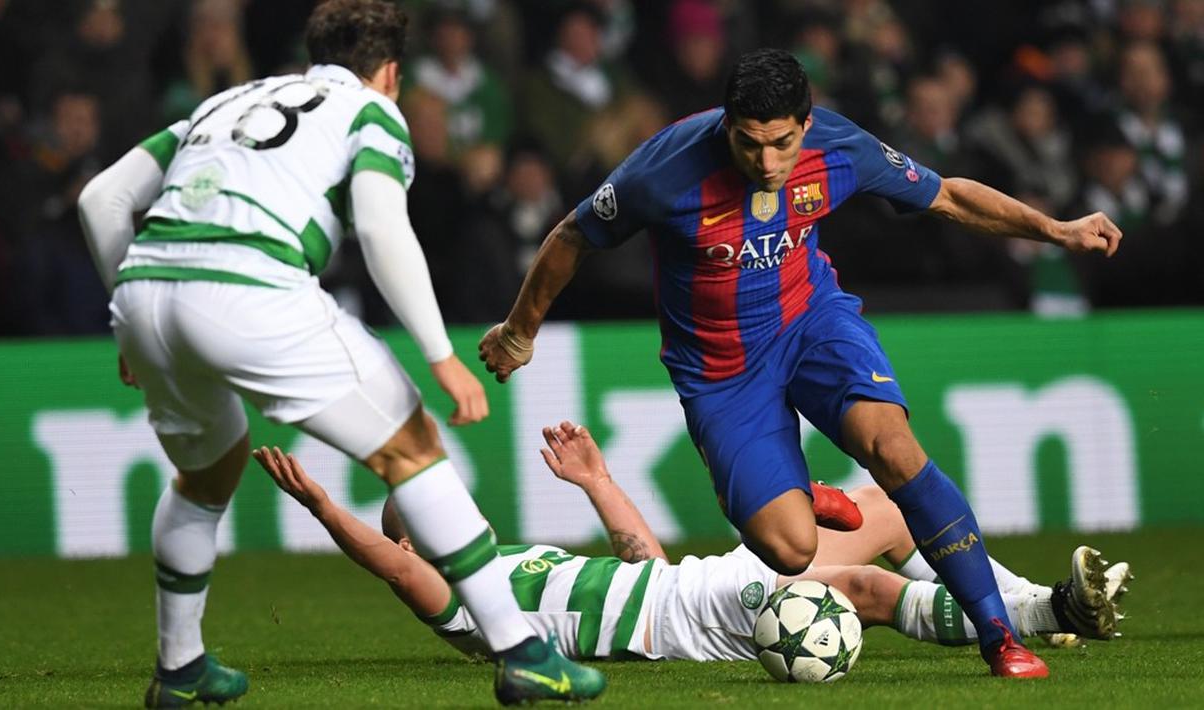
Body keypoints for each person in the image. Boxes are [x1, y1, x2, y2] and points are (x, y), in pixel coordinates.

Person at [479, 49, 1123, 679]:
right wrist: (518, 330)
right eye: (749, 143)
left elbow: (949, 197)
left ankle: (999, 634)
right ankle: (802, 493)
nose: (766, 162)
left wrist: (1056, 229)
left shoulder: (838, 147)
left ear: (806, 125)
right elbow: (572, 236)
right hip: (722, 372)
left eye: (781, 143)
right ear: (727, 126)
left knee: (894, 450)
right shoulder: (664, 170)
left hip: (812, 323)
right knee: (790, 549)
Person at [76, 1, 603, 706]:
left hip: (146, 292)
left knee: (203, 477)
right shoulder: (370, 111)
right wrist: (439, 353)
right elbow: (383, 229)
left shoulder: (225, 101)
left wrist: (129, 319)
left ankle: (180, 668)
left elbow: (100, 198)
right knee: (412, 450)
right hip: (251, 288)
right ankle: (523, 651)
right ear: (389, 70)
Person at [252, 420, 1132, 662]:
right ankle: (1046, 609)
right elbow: (396, 565)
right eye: (428, 517)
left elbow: (645, 567)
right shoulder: (469, 610)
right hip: (690, 626)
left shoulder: (521, 565)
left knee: (885, 510)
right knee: (859, 591)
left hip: (689, 587)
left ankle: (1024, 605)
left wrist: (598, 482)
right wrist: (331, 509)